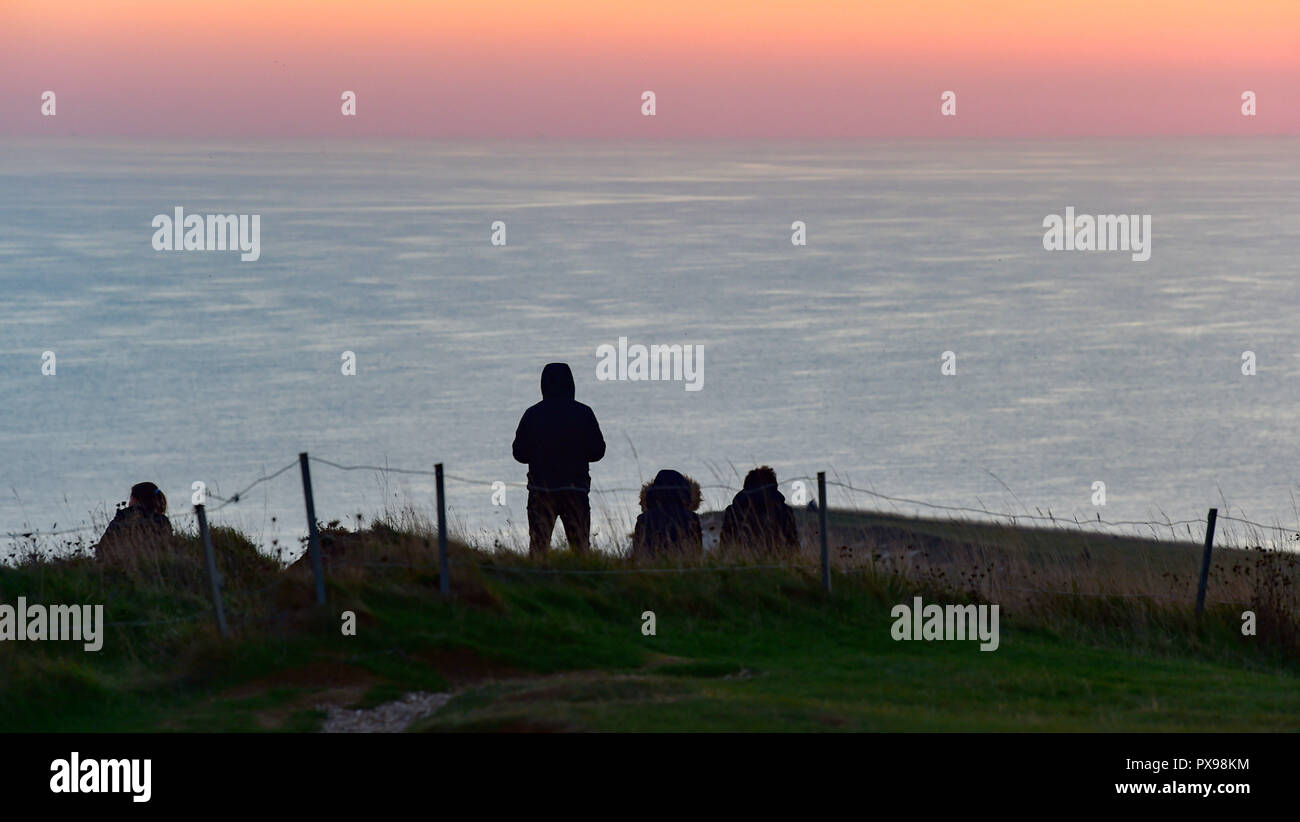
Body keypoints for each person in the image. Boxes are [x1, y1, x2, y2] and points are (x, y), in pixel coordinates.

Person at [512, 362, 605, 556]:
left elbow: (518, 453)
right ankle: (583, 583)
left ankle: (536, 582)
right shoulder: (584, 413)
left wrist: (538, 455)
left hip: (541, 491)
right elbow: (598, 451)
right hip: (576, 490)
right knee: (580, 548)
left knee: (538, 547)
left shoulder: (532, 414)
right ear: (571, 383)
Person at [719, 466, 799, 556]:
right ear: (774, 486)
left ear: (746, 487)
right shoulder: (784, 511)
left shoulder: (733, 512)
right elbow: (793, 546)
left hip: (741, 564)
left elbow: (724, 547)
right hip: (778, 563)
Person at [631, 469, 703, 560]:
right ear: (685, 492)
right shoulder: (691, 518)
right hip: (683, 570)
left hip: (649, 571)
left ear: (652, 492)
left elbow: (638, 553)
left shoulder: (643, 519)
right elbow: (697, 553)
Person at [96, 482, 173, 559]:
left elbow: (102, 549)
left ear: (136, 500)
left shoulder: (122, 518)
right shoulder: (162, 521)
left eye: (130, 498)